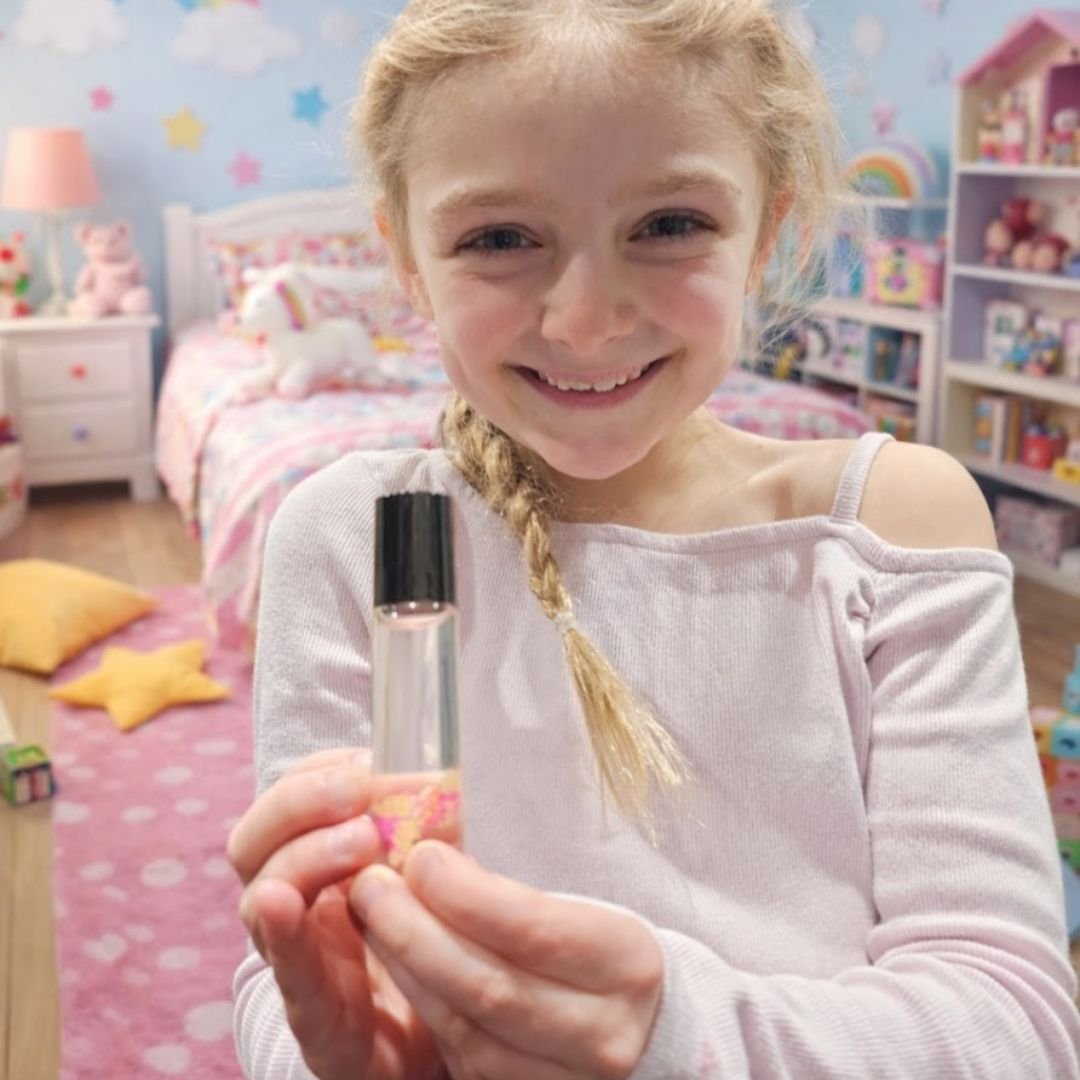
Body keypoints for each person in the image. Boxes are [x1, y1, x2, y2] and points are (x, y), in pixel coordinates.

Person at [226, 1, 1080, 1077]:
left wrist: (676, 1039)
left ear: (766, 233)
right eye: (498, 239)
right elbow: (302, 968)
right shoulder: (364, 541)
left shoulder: (888, 528)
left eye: (670, 224)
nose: (586, 321)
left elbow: (1016, 1031)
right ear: (408, 262)